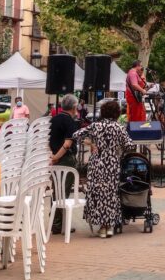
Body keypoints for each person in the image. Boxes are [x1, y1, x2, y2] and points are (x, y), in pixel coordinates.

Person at [73, 99, 134, 238]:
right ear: (117, 113)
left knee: (98, 193)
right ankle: (110, 225)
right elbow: (130, 146)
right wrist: (118, 148)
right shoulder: (119, 127)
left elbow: (76, 135)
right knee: (111, 194)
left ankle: (102, 227)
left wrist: (90, 143)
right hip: (112, 163)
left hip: (97, 163)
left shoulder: (95, 125)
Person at [49, 94, 80, 235]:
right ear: (74, 107)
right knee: (64, 192)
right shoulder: (70, 122)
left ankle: (55, 222)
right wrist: (57, 157)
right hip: (66, 159)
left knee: (56, 190)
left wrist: (53, 156)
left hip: (54, 158)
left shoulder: (53, 119)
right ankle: (59, 225)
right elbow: (68, 143)